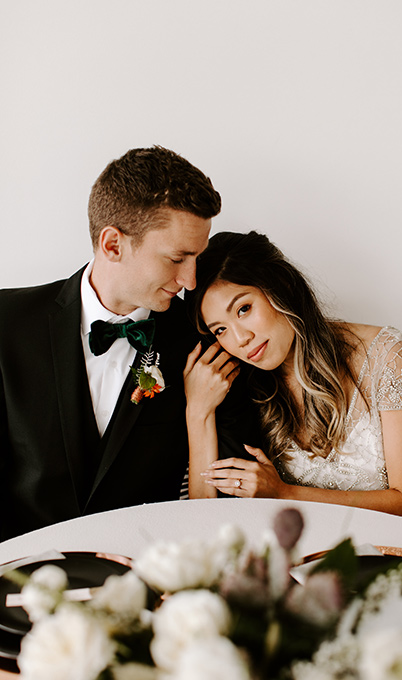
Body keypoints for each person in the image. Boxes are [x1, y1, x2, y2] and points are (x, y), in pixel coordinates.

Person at [0, 147, 260, 542]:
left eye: (197, 259)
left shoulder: (204, 345)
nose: (191, 280)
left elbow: (224, 496)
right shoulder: (7, 322)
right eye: (177, 258)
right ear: (113, 245)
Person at [183, 230, 402, 539]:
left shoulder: (388, 355)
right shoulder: (247, 389)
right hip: (333, 558)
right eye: (220, 330)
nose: (240, 339)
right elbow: (205, 521)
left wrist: (284, 493)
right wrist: (198, 411)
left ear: (281, 285)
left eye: (244, 309)